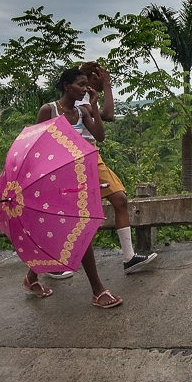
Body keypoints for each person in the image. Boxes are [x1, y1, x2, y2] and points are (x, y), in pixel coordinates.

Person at [21, 68, 123, 308]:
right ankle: (98, 290)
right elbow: (36, 145)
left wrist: (95, 106)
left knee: (69, 230)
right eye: (80, 84)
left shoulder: (82, 111)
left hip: (79, 175)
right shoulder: (49, 110)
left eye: (86, 84)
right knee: (79, 229)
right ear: (66, 86)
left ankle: (31, 277)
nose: (85, 89)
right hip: (56, 179)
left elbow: (100, 136)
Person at [45, 63, 157, 279]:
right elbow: (40, 139)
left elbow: (104, 124)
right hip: (65, 163)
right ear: (71, 85)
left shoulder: (85, 105)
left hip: (91, 157)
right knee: (71, 216)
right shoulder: (56, 108)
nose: (89, 86)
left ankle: (129, 258)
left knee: (119, 198)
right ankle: (48, 265)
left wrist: (105, 88)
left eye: (91, 82)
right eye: (88, 81)